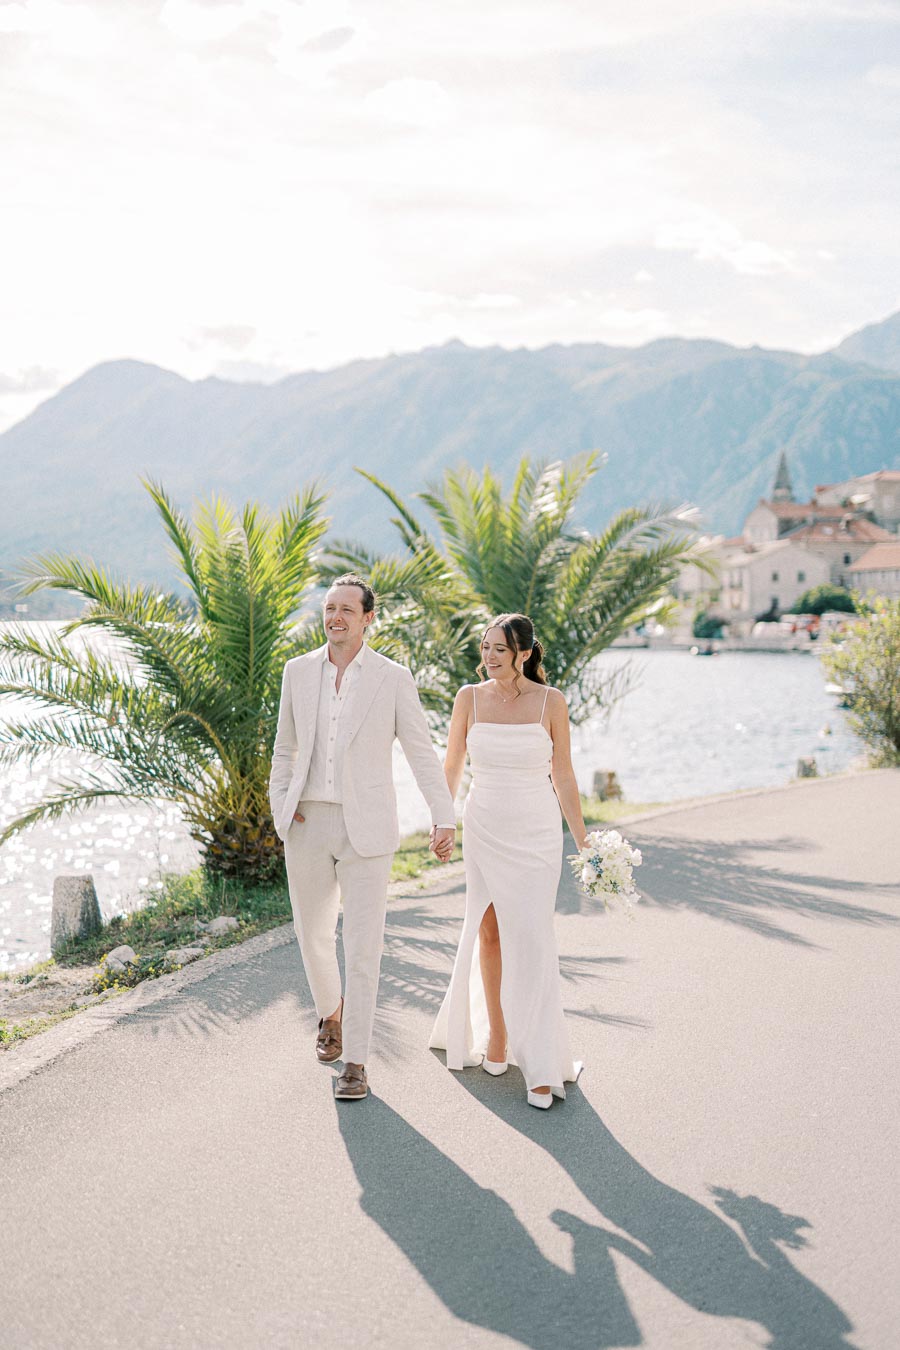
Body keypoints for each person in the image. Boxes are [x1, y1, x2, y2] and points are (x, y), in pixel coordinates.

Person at [269, 574, 456, 1101]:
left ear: (369, 617)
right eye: (330, 608)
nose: (336, 617)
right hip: (306, 822)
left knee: (363, 948)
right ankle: (331, 1012)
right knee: (311, 936)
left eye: (348, 609)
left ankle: (356, 1062)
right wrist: (282, 807)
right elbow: (285, 749)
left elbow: (421, 751)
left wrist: (444, 816)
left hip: (367, 827)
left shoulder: (392, 678)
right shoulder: (297, 672)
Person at [429, 613, 587, 1108]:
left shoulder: (551, 702)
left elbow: (563, 775)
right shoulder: (468, 698)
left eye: (499, 648)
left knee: (533, 938)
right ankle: (496, 1037)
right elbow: (452, 763)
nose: (489, 656)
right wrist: (442, 819)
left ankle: (539, 1064)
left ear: (523, 653)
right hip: (484, 824)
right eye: (485, 647)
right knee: (489, 930)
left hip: (537, 833)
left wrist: (586, 845)